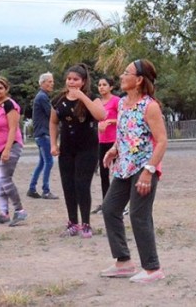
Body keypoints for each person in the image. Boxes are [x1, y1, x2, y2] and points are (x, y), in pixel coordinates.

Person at [100, 59, 168, 283]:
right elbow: (125, 132)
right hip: (124, 167)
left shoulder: (150, 106)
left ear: (138, 80)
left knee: (139, 216)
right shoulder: (122, 103)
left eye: (126, 72)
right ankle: (124, 262)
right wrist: (114, 149)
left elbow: (162, 141)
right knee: (110, 209)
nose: (121, 76)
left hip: (144, 168)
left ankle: (152, 268)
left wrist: (149, 171)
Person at [50, 64, 106, 238]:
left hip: (87, 148)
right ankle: (72, 223)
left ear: (83, 81)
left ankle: (86, 224)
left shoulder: (91, 97)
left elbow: (101, 115)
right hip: (67, 148)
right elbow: (53, 122)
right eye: (69, 79)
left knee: (82, 185)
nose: (71, 82)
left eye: (75, 79)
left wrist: (82, 97)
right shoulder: (59, 99)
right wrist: (53, 144)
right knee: (68, 185)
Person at [0, 76, 28, 226]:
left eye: (0, 88)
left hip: (10, 146)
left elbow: (13, 128)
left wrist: (7, 149)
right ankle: (4, 213)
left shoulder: (9, 105)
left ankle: (20, 210)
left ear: (6, 89)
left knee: (5, 179)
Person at [27, 72, 59, 200]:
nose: (52, 84)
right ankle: (46, 191)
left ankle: (32, 188)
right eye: (49, 81)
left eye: (52, 81)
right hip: (43, 134)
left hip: (39, 134)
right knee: (49, 162)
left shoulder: (41, 96)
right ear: (42, 83)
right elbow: (52, 114)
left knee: (42, 162)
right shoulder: (42, 97)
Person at [93, 77, 119, 214]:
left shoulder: (116, 101)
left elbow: (124, 118)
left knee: (118, 173)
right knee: (104, 174)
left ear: (111, 87)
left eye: (104, 84)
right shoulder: (97, 102)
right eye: (99, 85)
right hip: (101, 141)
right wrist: (98, 125)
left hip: (114, 141)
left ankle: (120, 204)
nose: (101, 87)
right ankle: (106, 203)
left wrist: (110, 122)